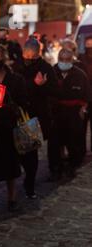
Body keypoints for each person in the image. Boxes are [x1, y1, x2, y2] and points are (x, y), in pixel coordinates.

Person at [0, 45, 28, 216]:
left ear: (5, 57)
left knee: (10, 166)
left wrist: (2, 109)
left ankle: (12, 198)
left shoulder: (16, 80)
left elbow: (23, 104)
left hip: (9, 128)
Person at [15, 38, 57, 193]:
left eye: (32, 58)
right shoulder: (17, 65)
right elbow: (16, 87)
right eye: (26, 56)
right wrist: (34, 84)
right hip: (18, 113)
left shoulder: (46, 68)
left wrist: (41, 86)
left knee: (31, 151)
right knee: (20, 152)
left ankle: (30, 183)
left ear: (38, 55)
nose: (28, 60)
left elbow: (54, 91)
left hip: (38, 116)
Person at [48, 49, 91, 179]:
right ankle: (55, 170)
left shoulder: (80, 74)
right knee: (54, 143)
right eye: (62, 59)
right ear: (58, 59)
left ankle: (72, 167)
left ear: (72, 60)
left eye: (67, 60)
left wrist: (83, 108)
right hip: (56, 113)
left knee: (74, 142)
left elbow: (87, 95)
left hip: (73, 114)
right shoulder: (51, 72)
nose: (64, 62)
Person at [79, 36, 92, 152]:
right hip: (83, 97)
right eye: (88, 44)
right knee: (82, 126)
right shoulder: (81, 58)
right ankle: (81, 149)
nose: (89, 46)